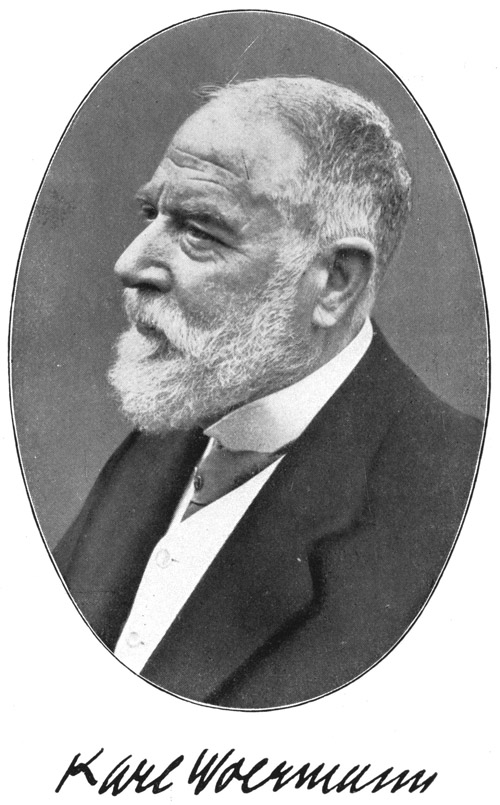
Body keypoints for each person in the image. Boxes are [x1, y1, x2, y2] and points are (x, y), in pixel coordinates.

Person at [53, 76, 482, 709]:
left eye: (200, 230)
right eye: (152, 216)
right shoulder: (171, 430)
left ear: (334, 282)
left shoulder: (460, 500)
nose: (130, 263)